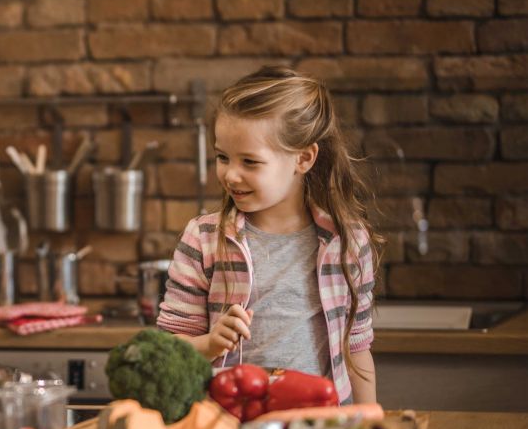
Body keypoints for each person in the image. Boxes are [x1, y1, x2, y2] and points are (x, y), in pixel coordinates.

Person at [156, 66, 379, 406]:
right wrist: (210, 344)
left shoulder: (347, 242)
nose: (230, 174)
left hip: (320, 425)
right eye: (222, 157)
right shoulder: (202, 239)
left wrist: (370, 426)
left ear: (303, 158)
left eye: (250, 161)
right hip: (227, 426)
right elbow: (168, 350)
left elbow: (357, 349)